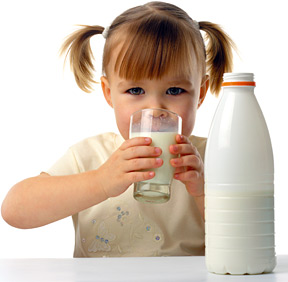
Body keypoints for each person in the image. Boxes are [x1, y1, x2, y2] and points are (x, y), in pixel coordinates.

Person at [1, 1, 234, 257]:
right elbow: (14, 211)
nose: (155, 109)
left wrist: (202, 192)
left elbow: (244, 242)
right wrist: (101, 181)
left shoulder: (212, 159)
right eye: (135, 91)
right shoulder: (91, 157)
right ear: (109, 93)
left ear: (199, 94)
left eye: (175, 90)